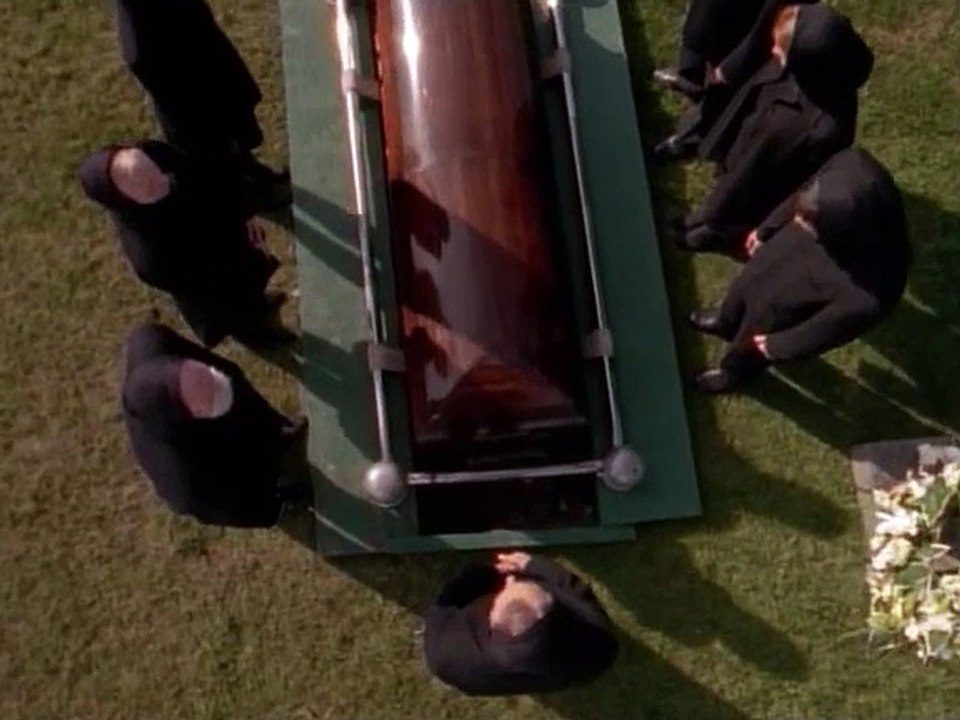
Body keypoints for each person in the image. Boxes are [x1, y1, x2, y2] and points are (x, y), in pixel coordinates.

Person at [689, 147, 912, 393]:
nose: (797, 221)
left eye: (807, 221)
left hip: (821, 285)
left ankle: (735, 370)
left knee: (764, 321)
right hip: (810, 242)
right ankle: (726, 319)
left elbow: (825, 329)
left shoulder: (874, 289)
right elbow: (804, 196)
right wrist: (767, 230)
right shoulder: (850, 166)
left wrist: (777, 346)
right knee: (749, 279)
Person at [675, 3, 873, 254]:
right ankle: (705, 217)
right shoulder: (803, 71)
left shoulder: (827, 129)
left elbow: (807, 187)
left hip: (760, 176)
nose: (773, 51)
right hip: (749, 147)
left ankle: (711, 233)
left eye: (781, 50)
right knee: (724, 190)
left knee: (728, 207)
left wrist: (768, 229)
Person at [79, 140, 290, 348]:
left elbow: (205, 178)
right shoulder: (149, 255)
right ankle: (259, 334)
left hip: (225, 240)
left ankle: (260, 301)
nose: (163, 181)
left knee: (253, 283)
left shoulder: (151, 153)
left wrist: (243, 214)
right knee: (241, 313)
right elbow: (205, 286)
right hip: (212, 282)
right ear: (125, 200)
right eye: (150, 186)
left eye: (154, 170)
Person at [121, 323, 309, 526]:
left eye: (204, 372)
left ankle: (278, 436)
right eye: (209, 397)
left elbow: (224, 379)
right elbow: (233, 508)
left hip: (202, 418)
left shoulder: (152, 339)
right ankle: (283, 505)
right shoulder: (184, 483)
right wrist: (268, 509)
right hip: (213, 467)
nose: (214, 382)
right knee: (249, 485)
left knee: (237, 399)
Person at [114, 0, 287, 202]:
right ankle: (251, 195)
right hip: (191, 100)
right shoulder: (138, 29)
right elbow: (146, 64)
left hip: (208, 63)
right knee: (217, 154)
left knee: (236, 133)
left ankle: (254, 173)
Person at [423, 552, 618, 696]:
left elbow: (448, 598)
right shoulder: (596, 643)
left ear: (493, 618)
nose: (510, 579)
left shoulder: (447, 654)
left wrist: (479, 573)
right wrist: (532, 565)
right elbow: (575, 589)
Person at [653, 0, 819, 160]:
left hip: (758, 27)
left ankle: (700, 133)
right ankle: (692, 76)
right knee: (710, 24)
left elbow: (770, 23)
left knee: (735, 81)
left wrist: (731, 68)